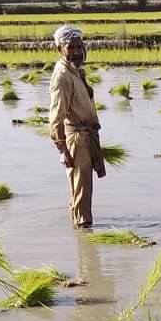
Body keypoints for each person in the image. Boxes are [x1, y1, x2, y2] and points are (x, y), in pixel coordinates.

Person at [49, 24, 107, 230]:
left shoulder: (75, 71)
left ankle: (81, 228)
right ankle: (84, 234)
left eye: (78, 46)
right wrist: (62, 149)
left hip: (86, 135)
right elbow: (56, 116)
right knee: (80, 188)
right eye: (70, 48)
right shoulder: (62, 76)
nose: (75, 51)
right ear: (60, 49)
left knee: (83, 187)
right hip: (76, 138)